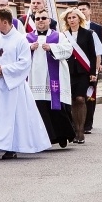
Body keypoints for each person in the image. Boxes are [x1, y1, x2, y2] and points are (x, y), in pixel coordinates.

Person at [0, 8, 51, 160]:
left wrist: (4, 69)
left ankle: (11, 148)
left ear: (5, 22)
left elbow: (24, 63)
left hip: (13, 87)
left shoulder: (20, 40)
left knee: (12, 118)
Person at [27, 9, 76, 148]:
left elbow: (69, 50)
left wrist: (52, 48)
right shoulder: (27, 37)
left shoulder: (58, 36)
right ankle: (44, 139)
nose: (41, 21)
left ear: (49, 20)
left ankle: (62, 135)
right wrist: (29, 47)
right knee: (39, 109)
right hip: (34, 80)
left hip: (53, 79)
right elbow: (18, 52)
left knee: (56, 109)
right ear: (34, 21)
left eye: (43, 18)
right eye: (38, 19)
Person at [61, 7, 99, 143]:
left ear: (79, 18)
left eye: (74, 17)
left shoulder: (87, 34)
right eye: (69, 18)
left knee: (81, 99)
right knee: (71, 101)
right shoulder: (64, 35)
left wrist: (92, 73)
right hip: (68, 72)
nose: (71, 20)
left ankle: (81, 131)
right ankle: (74, 130)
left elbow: (92, 55)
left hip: (83, 71)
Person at [77, 1, 102, 134]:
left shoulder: (96, 28)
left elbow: (101, 47)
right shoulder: (75, 28)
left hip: (93, 65)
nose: (82, 11)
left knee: (90, 95)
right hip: (79, 67)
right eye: (79, 9)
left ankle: (88, 123)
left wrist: (101, 64)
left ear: (89, 11)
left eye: (84, 9)